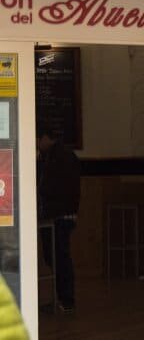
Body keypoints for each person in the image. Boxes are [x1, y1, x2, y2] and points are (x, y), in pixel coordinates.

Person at [37, 129, 79, 314]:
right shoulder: (63, 155)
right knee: (57, 256)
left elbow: (48, 186)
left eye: (38, 139)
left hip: (57, 215)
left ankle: (66, 299)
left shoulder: (57, 158)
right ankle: (63, 299)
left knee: (58, 257)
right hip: (63, 214)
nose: (37, 144)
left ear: (45, 138)